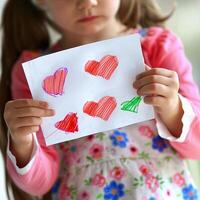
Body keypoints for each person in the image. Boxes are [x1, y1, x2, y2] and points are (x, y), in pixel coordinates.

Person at [0, 0, 200, 199]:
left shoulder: (158, 46)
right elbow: (40, 183)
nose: (87, 3)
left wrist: (172, 107)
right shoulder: (35, 73)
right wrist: (23, 142)